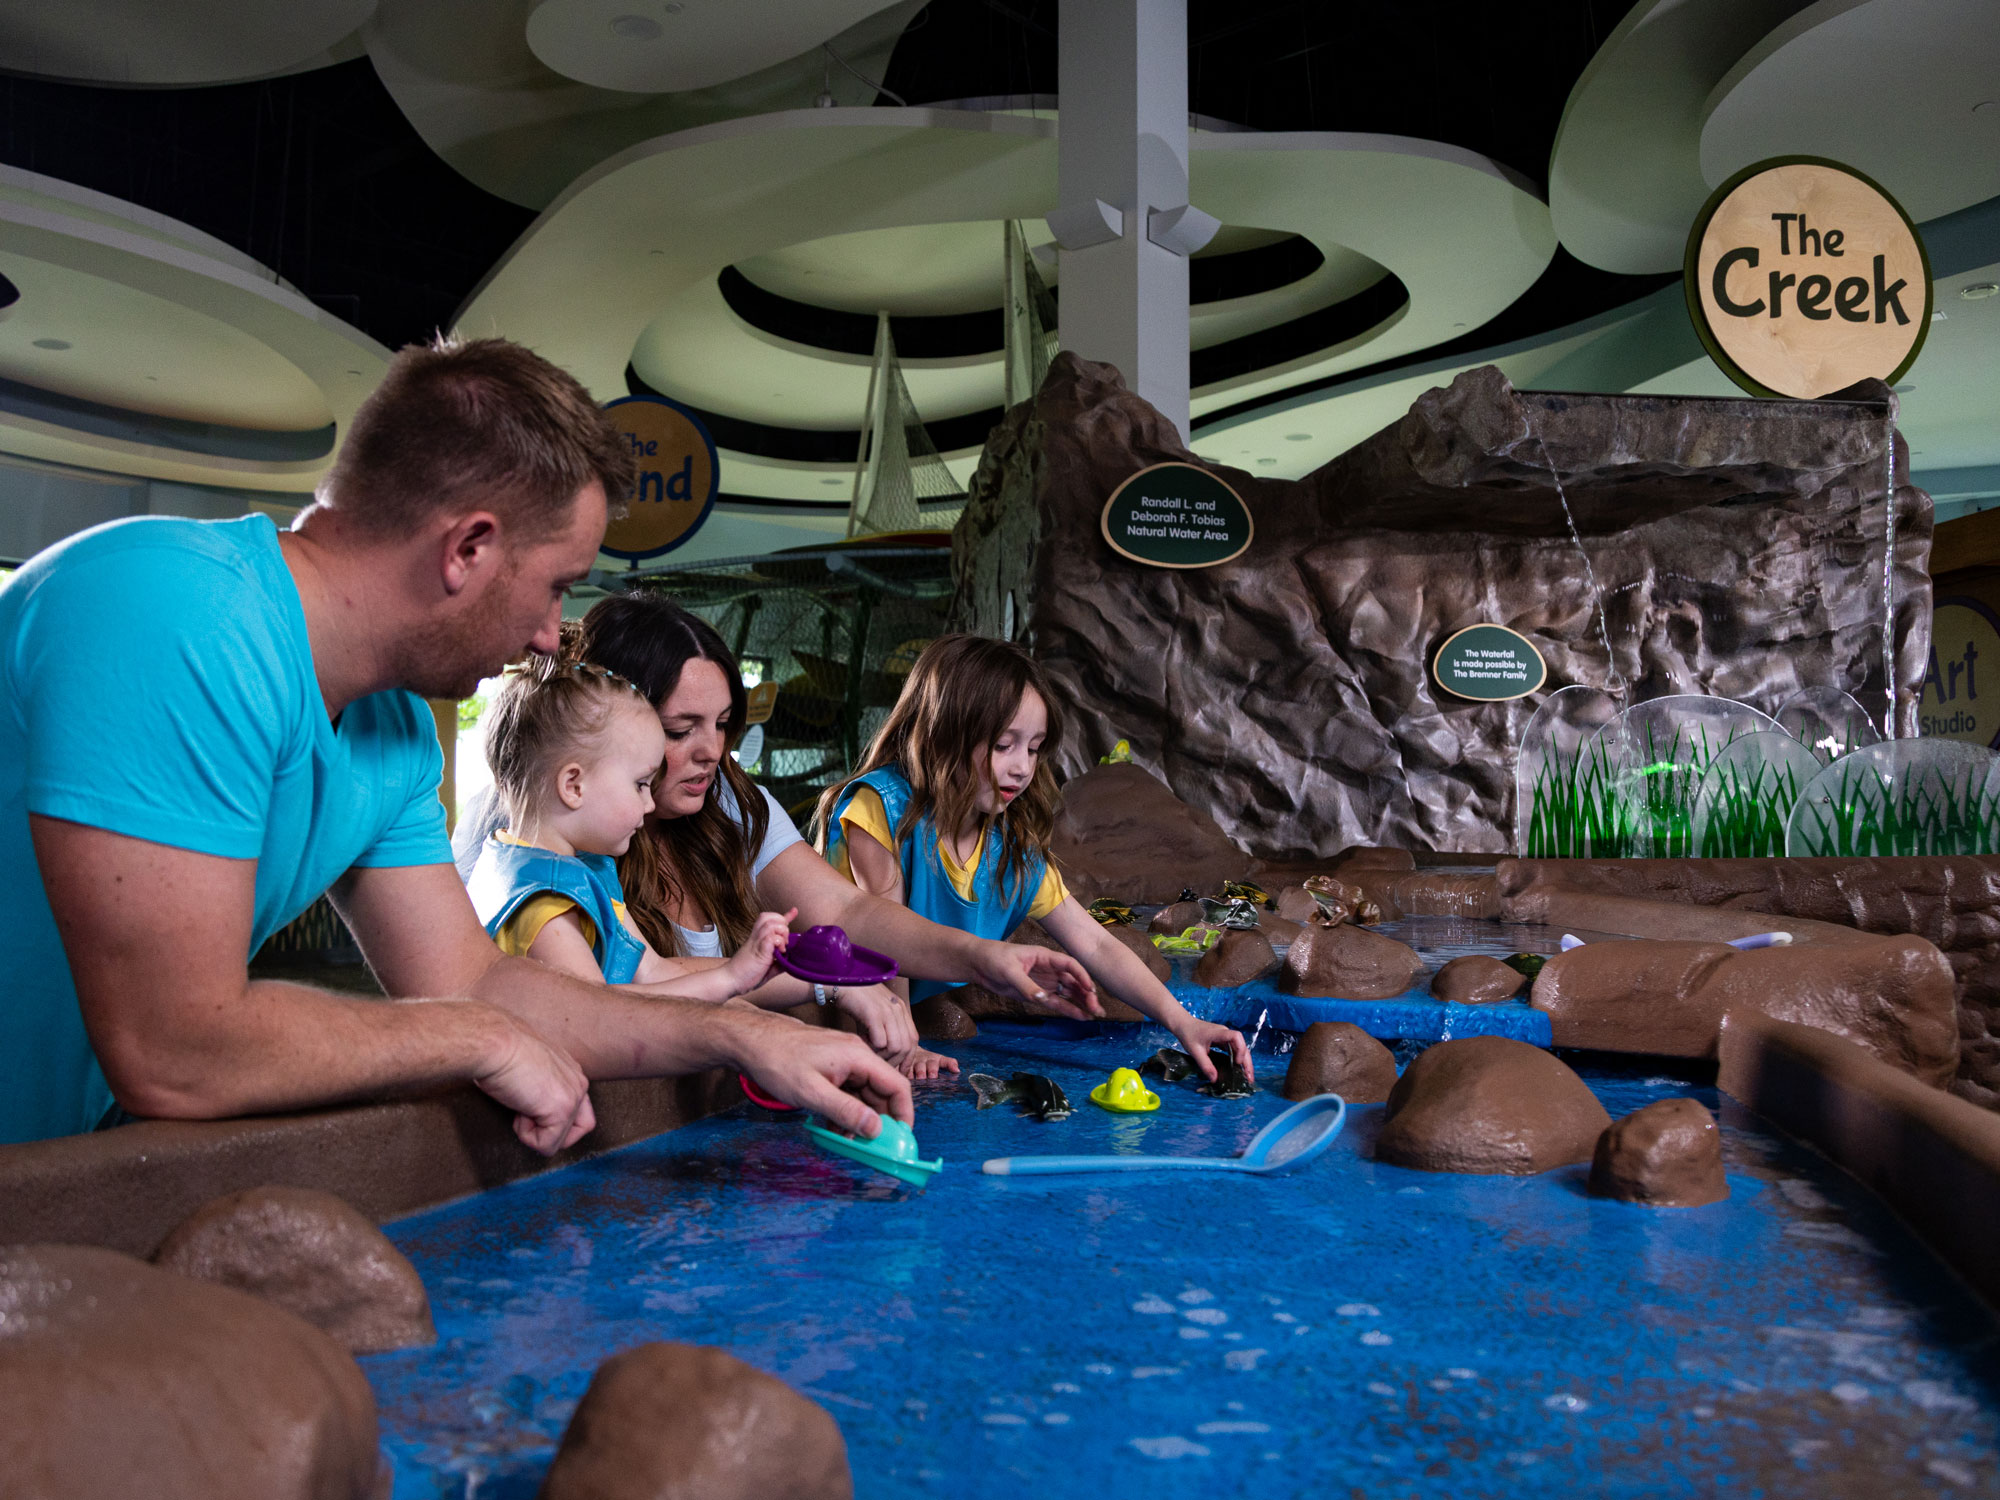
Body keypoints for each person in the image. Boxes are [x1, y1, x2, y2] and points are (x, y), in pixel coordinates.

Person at [0, 335, 911, 1149]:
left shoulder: (394, 729)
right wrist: (480, 1038)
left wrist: (744, 1030)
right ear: (468, 548)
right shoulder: (181, 619)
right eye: (557, 587)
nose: (556, 634)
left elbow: (474, 979)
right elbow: (177, 1047)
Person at [453, 595, 1102, 1077]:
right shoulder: (549, 852)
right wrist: (817, 989)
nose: (713, 752)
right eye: (680, 731)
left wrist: (978, 957)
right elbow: (598, 1013)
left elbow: (847, 911)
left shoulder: (731, 804)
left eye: (724, 724)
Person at [817, 634, 1253, 1083]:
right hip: (829, 999)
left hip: (907, 1007)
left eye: (1033, 747)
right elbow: (883, 939)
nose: (1023, 767)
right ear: (944, 734)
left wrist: (1184, 1023)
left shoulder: (1010, 846)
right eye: (1004, 745)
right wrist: (906, 1046)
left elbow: (1097, 944)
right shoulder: (880, 810)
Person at [467, 655, 792, 1000]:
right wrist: (730, 981)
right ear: (574, 786)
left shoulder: (575, 868)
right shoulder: (543, 905)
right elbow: (604, 1023)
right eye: (640, 784)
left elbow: (653, 973)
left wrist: (736, 975)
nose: (649, 803)